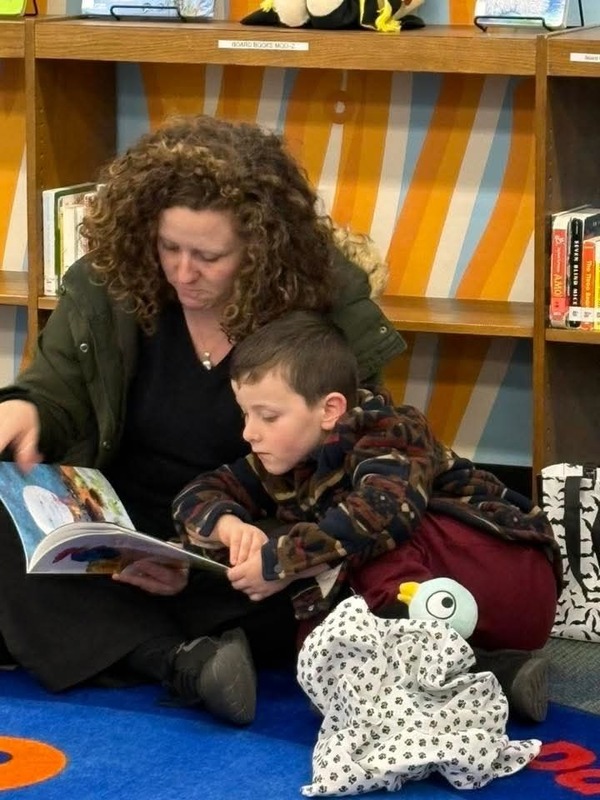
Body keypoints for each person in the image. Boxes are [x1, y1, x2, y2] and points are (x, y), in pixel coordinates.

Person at [0, 114, 407, 726]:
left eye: (208, 256)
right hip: (122, 528)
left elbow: (358, 457)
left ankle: (143, 646)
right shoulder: (108, 284)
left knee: (338, 584)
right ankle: (180, 660)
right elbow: (55, 394)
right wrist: (24, 408)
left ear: (260, 248)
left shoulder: (322, 300)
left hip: (246, 540)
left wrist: (274, 551)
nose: (183, 273)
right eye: (169, 248)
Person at [172, 311, 562, 723]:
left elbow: (382, 512)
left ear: (329, 410)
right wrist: (229, 525)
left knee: (361, 540)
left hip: (509, 570)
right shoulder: (280, 462)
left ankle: (424, 662)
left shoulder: (389, 430)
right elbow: (196, 494)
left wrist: (280, 562)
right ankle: (497, 675)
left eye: (267, 417)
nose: (250, 432)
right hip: (451, 608)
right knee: (320, 644)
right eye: (245, 414)